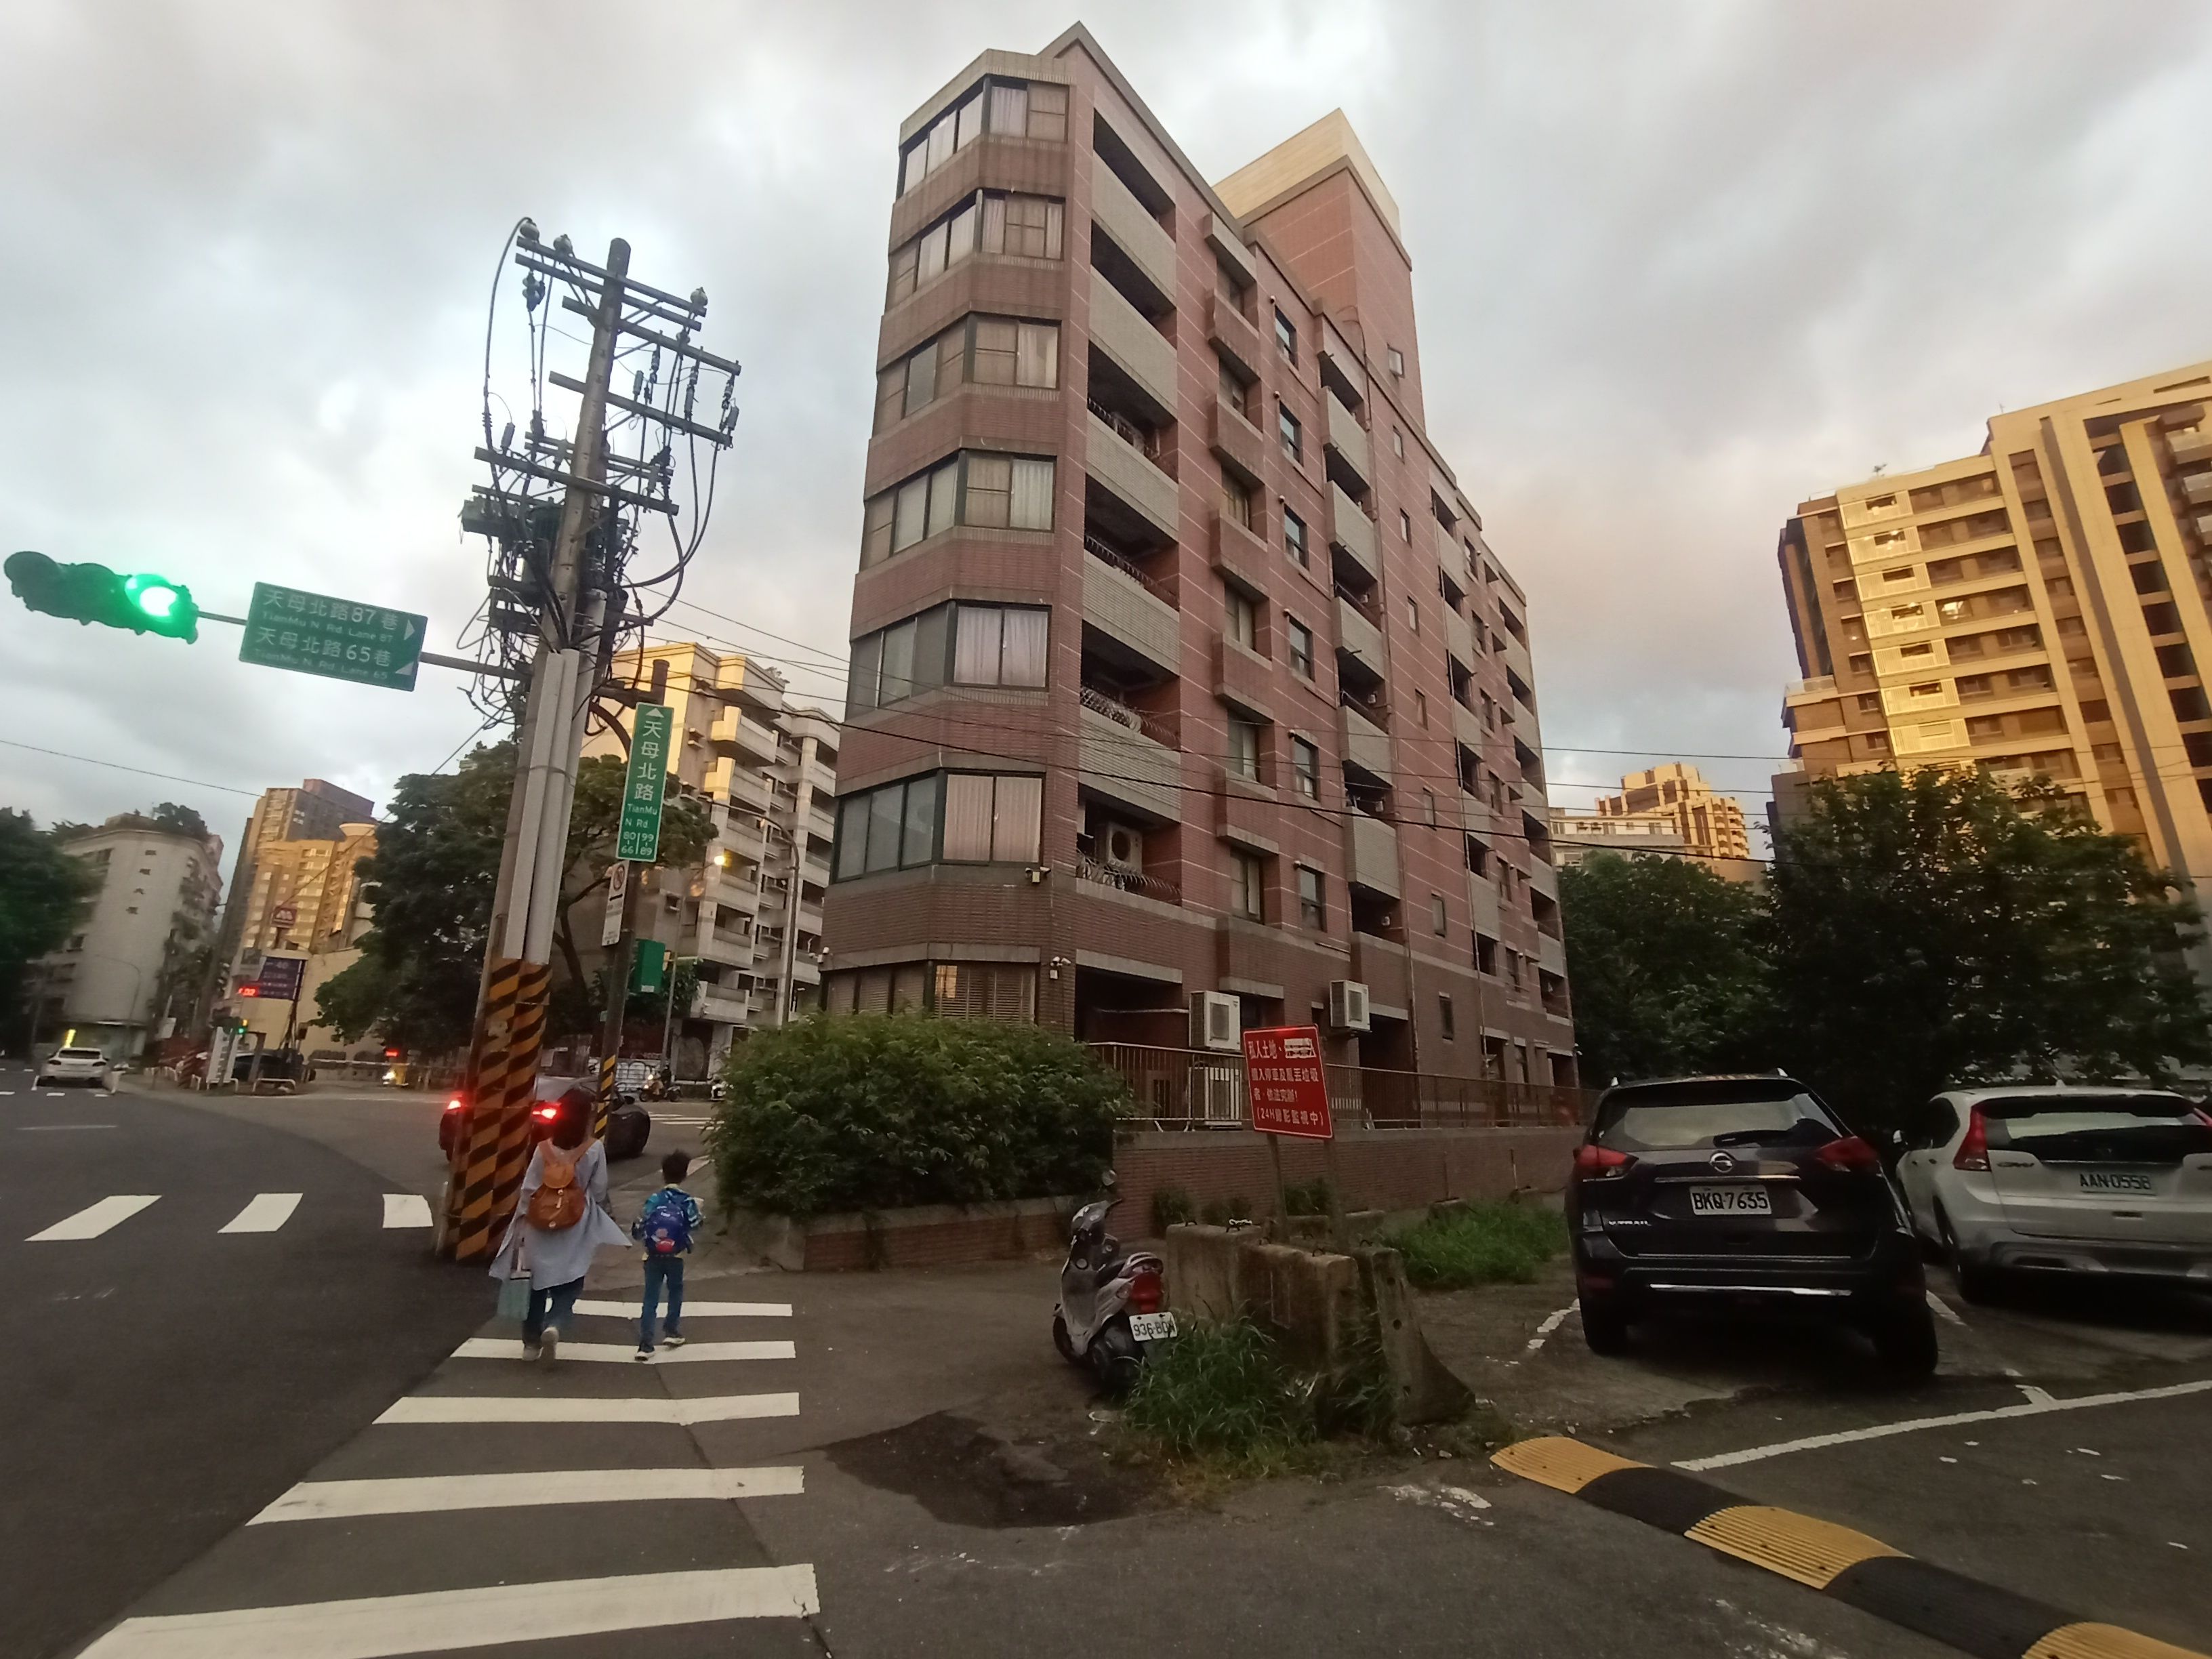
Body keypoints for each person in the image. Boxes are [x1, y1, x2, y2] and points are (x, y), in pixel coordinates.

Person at [489, 1087, 629, 1362]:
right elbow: (599, 1189)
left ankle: (531, 1344)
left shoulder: (543, 1149)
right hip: (575, 1225)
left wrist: (522, 1224)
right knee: (570, 1282)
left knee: (536, 1285)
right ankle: (555, 1324)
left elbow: (529, 1189)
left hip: (539, 1225)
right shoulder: (594, 1149)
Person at [631, 1148, 703, 1359]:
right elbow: (696, 1224)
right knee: (675, 1291)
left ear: (663, 1174)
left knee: (650, 1297)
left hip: (652, 1256)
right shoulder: (687, 1200)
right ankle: (671, 1332)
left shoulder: (654, 1199)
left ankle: (646, 1345)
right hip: (676, 1255)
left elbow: (638, 1228)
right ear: (685, 1174)